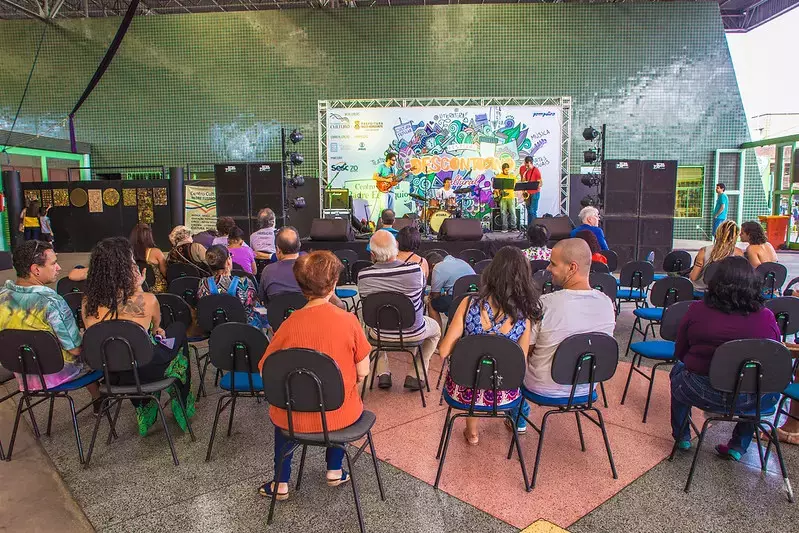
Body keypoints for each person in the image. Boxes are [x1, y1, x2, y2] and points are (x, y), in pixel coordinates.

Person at [257, 251, 371, 500]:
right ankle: (334, 470)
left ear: (300, 285)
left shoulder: (288, 324)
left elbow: (266, 368)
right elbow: (364, 371)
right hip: (340, 415)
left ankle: (281, 483)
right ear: (333, 284)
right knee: (346, 398)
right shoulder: (349, 321)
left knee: (282, 418)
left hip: (292, 419)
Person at [670, 256, 781, 461]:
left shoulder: (697, 310)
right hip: (751, 398)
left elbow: (680, 351)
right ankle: (738, 446)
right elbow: (775, 357)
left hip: (701, 390)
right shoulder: (766, 317)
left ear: (716, 281)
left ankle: (682, 436)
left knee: (677, 371)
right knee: (758, 381)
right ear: (754, 283)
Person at [82, 237, 193, 436]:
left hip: (112, 376)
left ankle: (143, 406)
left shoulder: (87, 303)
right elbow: (156, 330)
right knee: (176, 329)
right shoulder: (148, 300)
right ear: (127, 268)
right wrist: (139, 288)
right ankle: (180, 399)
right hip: (147, 370)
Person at [510, 239, 615, 430]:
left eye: (554, 263)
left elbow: (524, 351)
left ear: (572, 267)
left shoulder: (545, 304)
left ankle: (519, 420)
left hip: (542, 387)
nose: (548, 268)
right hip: (586, 386)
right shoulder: (607, 303)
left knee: (512, 362)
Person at [439, 247, 540, 445]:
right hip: (504, 394)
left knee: (474, 375)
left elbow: (443, 351)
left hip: (462, 390)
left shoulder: (468, 304)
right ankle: (515, 422)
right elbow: (521, 364)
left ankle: (472, 433)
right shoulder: (524, 317)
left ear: (491, 273)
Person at [0, 240, 99, 399]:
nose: (59, 267)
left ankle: (98, 398)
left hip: (24, 375)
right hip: (57, 374)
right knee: (102, 349)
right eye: (53, 263)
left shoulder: (2, 297)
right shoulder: (51, 302)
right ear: (36, 269)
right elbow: (75, 349)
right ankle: (102, 398)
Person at [357, 231, 441, 391]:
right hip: (413, 332)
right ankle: (416, 373)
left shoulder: (363, 275)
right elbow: (421, 292)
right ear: (396, 247)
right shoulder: (415, 271)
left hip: (379, 334)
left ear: (372, 254)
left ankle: (383, 373)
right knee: (436, 331)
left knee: (370, 322)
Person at [197, 244, 264, 329]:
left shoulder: (203, 283)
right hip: (245, 330)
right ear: (228, 260)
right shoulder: (244, 283)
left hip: (216, 330)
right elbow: (253, 306)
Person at [689, 220, 744, 291]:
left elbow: (693, 277)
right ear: (735, 236)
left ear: (718, 233)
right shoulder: (738, 253)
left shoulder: (704, 251)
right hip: (725, 293)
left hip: (702, 291)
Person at [427, 252, 476, 327]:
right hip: (475, 298)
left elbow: (435, 295)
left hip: (458, 301)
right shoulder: (461, 261)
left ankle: (437, 336)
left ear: (433, 265)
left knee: (431, 303)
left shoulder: (438, 267)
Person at [129, 223, 167, 293]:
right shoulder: (156, 252)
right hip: (158, 291)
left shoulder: (128, 254)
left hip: (137, 290)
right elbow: (165, 273)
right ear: (149, 236)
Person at [519, 156, 542, 223]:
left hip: (535, 193)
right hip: (527, 193)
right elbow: (522, 180)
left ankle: (535, 227)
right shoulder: (522, 168)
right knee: (529, 211)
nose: (526, 167)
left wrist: (534, 184)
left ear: (531, 163)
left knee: (533, 211)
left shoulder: (536, 170)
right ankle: (529, 229)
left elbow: (540, 183)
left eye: (528, 165)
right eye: (526, 165)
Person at [495, 163, 517, 232]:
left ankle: (514, 227)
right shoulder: (498, 177)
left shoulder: (512, 177)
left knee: (513, 212)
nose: (507, 171)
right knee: (503, 212)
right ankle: (504, 228)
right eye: (506, 170)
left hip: (511, 196)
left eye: (508, 170)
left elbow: (515, 186)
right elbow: (496, 188)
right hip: (502, 197)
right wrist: (498, 192)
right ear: (502, 169)